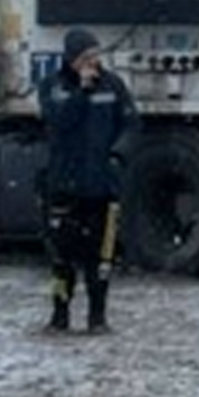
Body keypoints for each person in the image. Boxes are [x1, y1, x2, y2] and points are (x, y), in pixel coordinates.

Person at [37, 28, 140, 335]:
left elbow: (132, 123)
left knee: (101, 258)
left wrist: (118, 154)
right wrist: (81, 93)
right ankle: (60, 316)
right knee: (61, 258)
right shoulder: (52, 86)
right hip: (64, 187)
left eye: (96, 56)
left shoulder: (113, 85)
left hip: (102, 187)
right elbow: (58, 122)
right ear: (72, 60)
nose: (93, 63)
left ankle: (98, 316)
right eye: (86, 58)